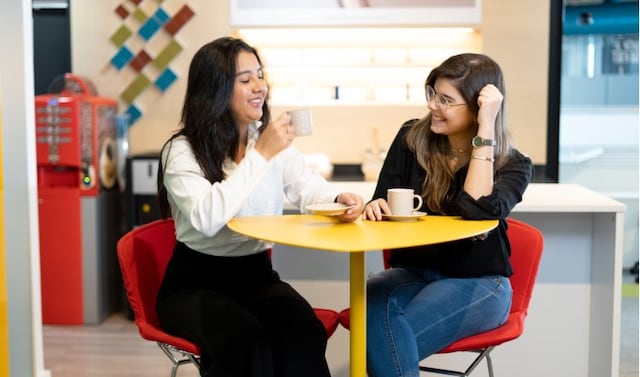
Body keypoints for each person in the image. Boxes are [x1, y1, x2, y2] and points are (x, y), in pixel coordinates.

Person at [155, 36, 364, 377]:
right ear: (216, 89)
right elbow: (207, 219)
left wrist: (338, 199)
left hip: (255, 276)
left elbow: (305, 187)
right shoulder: (182, 150)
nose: (259, 87)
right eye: (245, 79)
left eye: (260, 74)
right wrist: (261, 155)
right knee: (245, 343)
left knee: (302, 332)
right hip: (194, 284)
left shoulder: (262, 139)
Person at [362, 53, 533, 377]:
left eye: (446, 100)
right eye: (432, 94)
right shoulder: (411, 139)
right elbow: (382, 200)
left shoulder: (513, 164)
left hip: (480, 285)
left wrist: (485, 129)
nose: (432, 106)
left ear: (477, 106)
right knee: (370, 300)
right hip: (413, 273)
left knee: (380, 342)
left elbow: (476, 209)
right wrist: (375, 208)